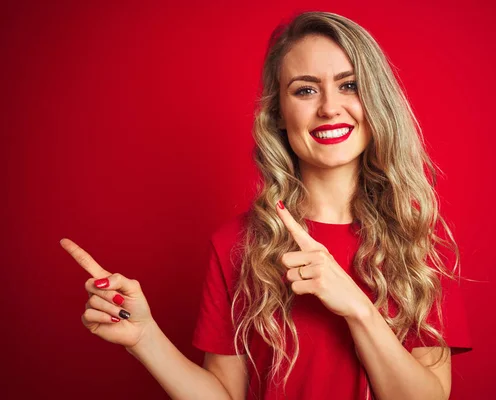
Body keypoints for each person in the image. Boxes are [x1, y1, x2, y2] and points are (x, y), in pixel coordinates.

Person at [61, 11, 472, 400]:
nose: (329, 106)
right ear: (278, 112)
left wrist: (357, 308)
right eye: (306, 90)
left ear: (376, 101)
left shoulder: (420, 239)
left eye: (349, 85)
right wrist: (145, 338)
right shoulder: (236, 244)